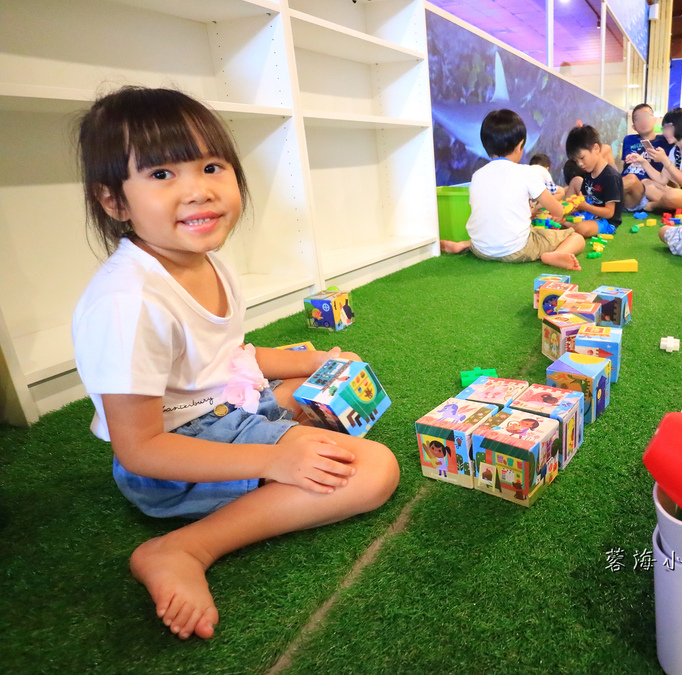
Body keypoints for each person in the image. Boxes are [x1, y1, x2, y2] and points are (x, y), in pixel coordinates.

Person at [71, 86, 400, 640]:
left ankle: (282, 441)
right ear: (114, 202)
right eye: (160, 175)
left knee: (321, 382)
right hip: (171, 462)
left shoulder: (207, 262)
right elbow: (141, 448)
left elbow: (227, 358)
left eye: (211, 165)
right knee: (373, 470)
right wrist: (273, 460)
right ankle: (183, 547)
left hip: (220, 405)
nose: (198, 190)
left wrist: (316, 358)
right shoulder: (127, 302)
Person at [441, 109, 584, 269]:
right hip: (516, 250)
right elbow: (556, 208)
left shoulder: (477, 175)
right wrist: (557, 213)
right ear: (519, 146)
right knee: (577, 238)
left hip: (481, 249)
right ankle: (555, 254)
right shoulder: (526, 172)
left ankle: (465, 245)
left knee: (491, 231)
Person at [624, 108, 682, 214]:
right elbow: (662, 179)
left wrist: (665, 160)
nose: (665, 133)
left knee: (673, 195)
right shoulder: (675, 150)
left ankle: (653, 206)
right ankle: (666, 205)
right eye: (663, 129)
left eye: (668, 128)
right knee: (646, 183)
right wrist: (643, 162)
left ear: (679, 125)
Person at [565, 124, 624, 238]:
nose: (580, 164)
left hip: (606, 222)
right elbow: (585, 200)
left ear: (596, 148)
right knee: (577, 222)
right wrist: (569, 209)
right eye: (576, 161)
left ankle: (566, 225)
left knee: (582, 229)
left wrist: (584, 206)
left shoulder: (611, 177)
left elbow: (609, 213)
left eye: (582, 158)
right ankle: (567, 224)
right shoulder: (588, 173)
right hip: (590, 215)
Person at [620, 103, 670, 213]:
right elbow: (625, 167)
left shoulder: (665, 140)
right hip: (627, 185)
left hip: (649, 186)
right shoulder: (628, 139)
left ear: (655, 120)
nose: (643, 121)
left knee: (655, 189)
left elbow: (669, 170)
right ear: (633, 126)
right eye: (638, 119)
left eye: (646, 116)